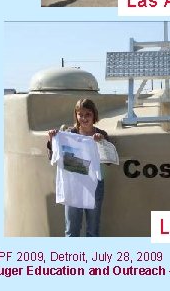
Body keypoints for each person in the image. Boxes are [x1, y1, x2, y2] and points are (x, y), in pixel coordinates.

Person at [47, 99, 109, 237]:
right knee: (71, 230)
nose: (84, 118)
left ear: (94, 115)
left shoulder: (101, 135)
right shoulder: (68, 134)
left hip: (94, 185)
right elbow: (53, 157)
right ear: (76, 115)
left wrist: (101, 143)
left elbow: (109, 160)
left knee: (93, 230)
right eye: (80, 114)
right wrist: (52, 140)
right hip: (73, 185)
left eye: (88, 114)